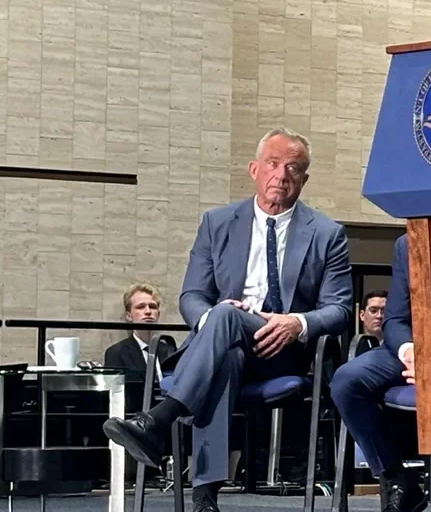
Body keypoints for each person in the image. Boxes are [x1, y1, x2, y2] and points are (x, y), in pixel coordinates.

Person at [102, 127, 354, 512]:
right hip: (227, 344)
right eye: (272, 164)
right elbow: (192, 296)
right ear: (254, 169)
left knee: (224, 318)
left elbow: (339, 308)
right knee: (224, 345)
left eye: (293, 167)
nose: (281, 175)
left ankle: (161, 419)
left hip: (284, 349)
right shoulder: (217, 223)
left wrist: (296, 323)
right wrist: (213, 324)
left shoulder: (326, 233)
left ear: (304, 178)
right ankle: (205, 500)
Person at [329, 235, 426, 512]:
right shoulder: (406, 244)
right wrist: (410, 352)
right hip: (414, 348)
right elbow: (395, 318)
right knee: (348, 380)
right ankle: (397, 477)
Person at [104, 282, 178, 410]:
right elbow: (117, 399)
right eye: (141, 307)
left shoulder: (170, 350)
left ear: (158, 314)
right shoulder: (116, 353)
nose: (148, 311)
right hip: (135, 417)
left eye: (152, 307)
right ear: (128, 316)